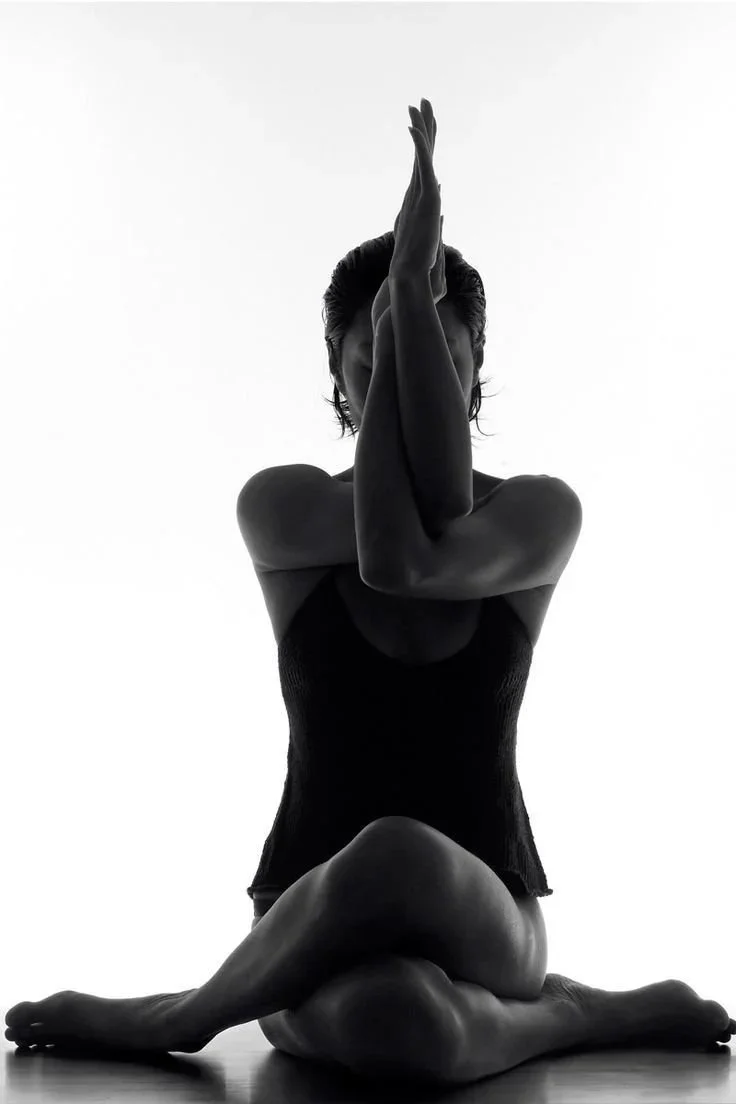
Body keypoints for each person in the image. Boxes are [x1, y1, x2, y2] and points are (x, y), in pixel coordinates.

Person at [5, 98, 733, 1087]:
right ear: (343, 382)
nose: (407, 370)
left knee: (398, 854)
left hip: (489, 912)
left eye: (440, 355)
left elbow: (411, 556)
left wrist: (404, 306)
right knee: (402, 1025)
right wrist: (404, 309)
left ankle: (182, 1015)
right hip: (302, 916)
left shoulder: (537, 512)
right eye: (378, 357)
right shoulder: (283, 506)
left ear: (474, 374)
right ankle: (567, 1016)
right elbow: (392, 534)